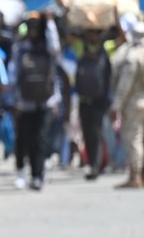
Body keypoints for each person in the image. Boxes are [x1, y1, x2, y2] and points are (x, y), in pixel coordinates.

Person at [10, 13, 61, 191]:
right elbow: (14, 75)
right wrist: (14, 100)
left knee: (40, 140)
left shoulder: (47, 49)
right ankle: (23, 172)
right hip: (25, 103)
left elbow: (55, 46)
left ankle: (38, 176)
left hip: (45, 102)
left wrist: (50, 22)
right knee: (24, 140)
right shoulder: (22, 49)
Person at [70, 28, 113, 181]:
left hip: (99, 100)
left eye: (94, 32)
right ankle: (94, 163)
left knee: (96, 132)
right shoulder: (81, 47)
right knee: (88, 133)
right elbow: (69, 37)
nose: (91, 35)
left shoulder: (107, 47)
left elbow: (122, 39)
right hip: (83, 99)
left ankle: (95, 165)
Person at [111, 22, 144, 189]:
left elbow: (125, 85)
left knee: (134, 139)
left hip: (134, 105)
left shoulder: (132, 57)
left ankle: (135, 176)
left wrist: (116, 106)